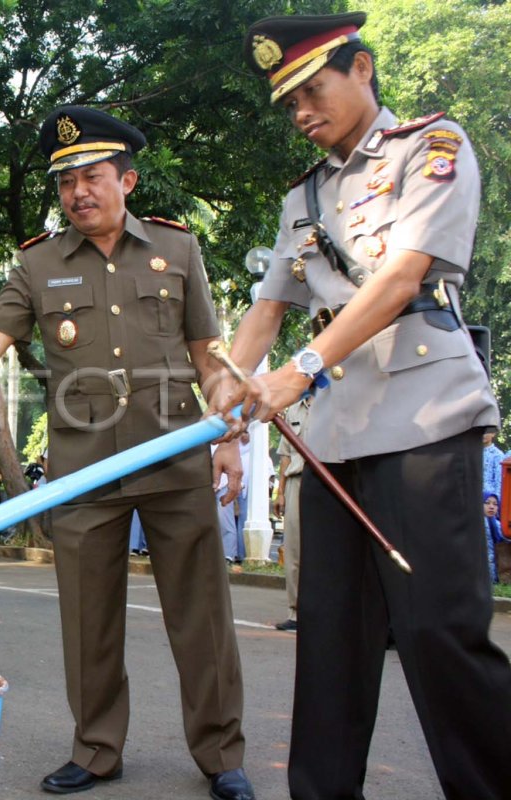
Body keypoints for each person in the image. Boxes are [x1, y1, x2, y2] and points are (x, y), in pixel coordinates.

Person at [0, 107, 252, 799]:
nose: (78, 192)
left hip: (173, 454)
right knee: (88, 620)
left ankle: (221, 755)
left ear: (125, 179)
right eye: (66, 181)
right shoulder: (38, 262)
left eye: (92, 176)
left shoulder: (178, 250)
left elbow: (207, 351)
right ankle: (97, 751)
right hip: (86, 468)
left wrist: (229, 420)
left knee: (202, 617)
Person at [213, 13, 511, 799]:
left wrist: (300, 371)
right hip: (335, 439)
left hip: (425, 421)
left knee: (439, 635)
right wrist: (225, 396)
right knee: (331, 647)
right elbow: (267, 308)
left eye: (315, 90)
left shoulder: (431, 147)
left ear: (363, 69)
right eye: (291, 103)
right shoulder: (301, 198)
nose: (303, 112)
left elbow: (402, 276)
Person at [274, 392, 312, 632]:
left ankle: (326, 611)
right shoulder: (294, 410)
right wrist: (280, 492)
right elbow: (286, 457)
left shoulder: (334, 399)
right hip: (297, 483)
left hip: (327, 481)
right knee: (294, 551)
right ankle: (296, 613)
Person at [485, 492, 505, 585]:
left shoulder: (499, 525)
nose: (492, 507)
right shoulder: (473, 524)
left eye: (495, 504)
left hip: (496, 573)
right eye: (487, 503)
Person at [482, 430, 503, 498]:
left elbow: (499, 481)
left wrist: (496, 500)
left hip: (489, 497)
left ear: (493, 433)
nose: (483, 435)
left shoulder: (497, 454)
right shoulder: (472, 452)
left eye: (485, 432)